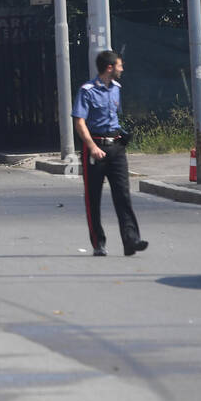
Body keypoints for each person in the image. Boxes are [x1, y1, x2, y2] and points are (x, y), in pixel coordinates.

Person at [73, 50, 148, 257]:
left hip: (116, 148)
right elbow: (79, 122)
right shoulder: (87, 91)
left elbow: (113, 117)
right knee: (93, 197)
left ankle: (131, 240)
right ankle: (98, 242)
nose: (122, 69)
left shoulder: (116, 89)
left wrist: (122, 135)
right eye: (119, 66)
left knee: (123, 194)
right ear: (109, 68)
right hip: (95, 148)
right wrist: (92, 147)